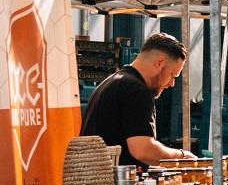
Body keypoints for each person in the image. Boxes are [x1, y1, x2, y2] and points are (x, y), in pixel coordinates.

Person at [80, 32, 195, 167]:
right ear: (160, 62)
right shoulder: (136, 90)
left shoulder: (111, 82)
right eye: (172, 75)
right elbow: (143, 150)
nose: (172, 84)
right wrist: (182, 157)